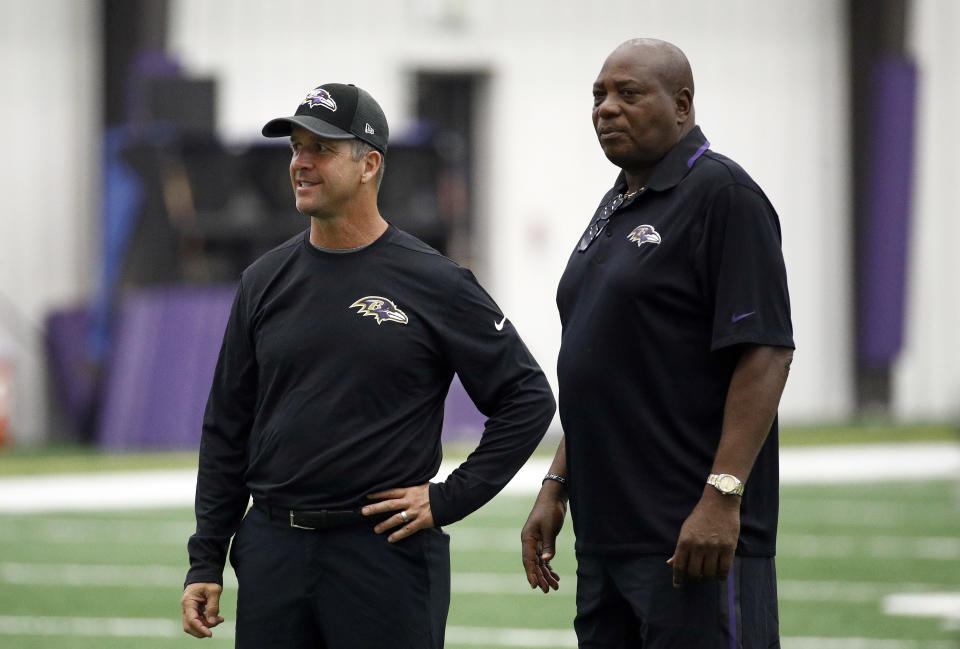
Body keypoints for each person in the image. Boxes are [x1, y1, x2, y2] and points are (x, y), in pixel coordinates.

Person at [180, 82, 556, 649]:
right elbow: (226, 427)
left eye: (321, 149)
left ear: (369, 165)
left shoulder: (434, 281)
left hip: (383, 554)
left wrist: (449, 497)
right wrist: (206, 558)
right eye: (295, 148)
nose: (300, 163)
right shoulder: (263, 280)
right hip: (272, 552)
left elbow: (527, 399)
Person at [521, 39, 795, 648]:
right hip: (607, 538)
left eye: (628, 93)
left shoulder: (724, 195)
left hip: (689, 538)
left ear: (682, 104)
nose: (606, 108)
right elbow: (609, 367)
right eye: (598, 95)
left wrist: (721, 499)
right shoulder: (618, 202)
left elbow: (766, 351)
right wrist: (556, 483)